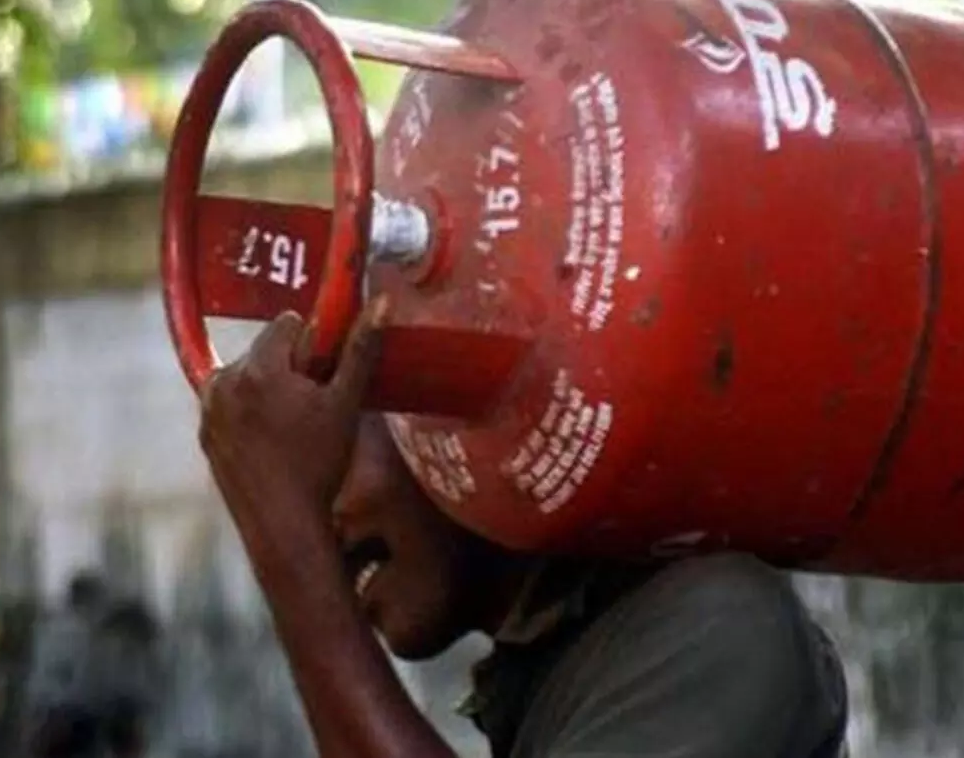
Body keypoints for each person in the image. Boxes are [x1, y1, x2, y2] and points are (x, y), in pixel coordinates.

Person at [196, 297, 850, 758]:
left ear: (447, 408)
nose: (314, 511)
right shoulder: (548, 675)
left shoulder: (716, 626)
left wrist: (289, 542)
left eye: (320, 457)